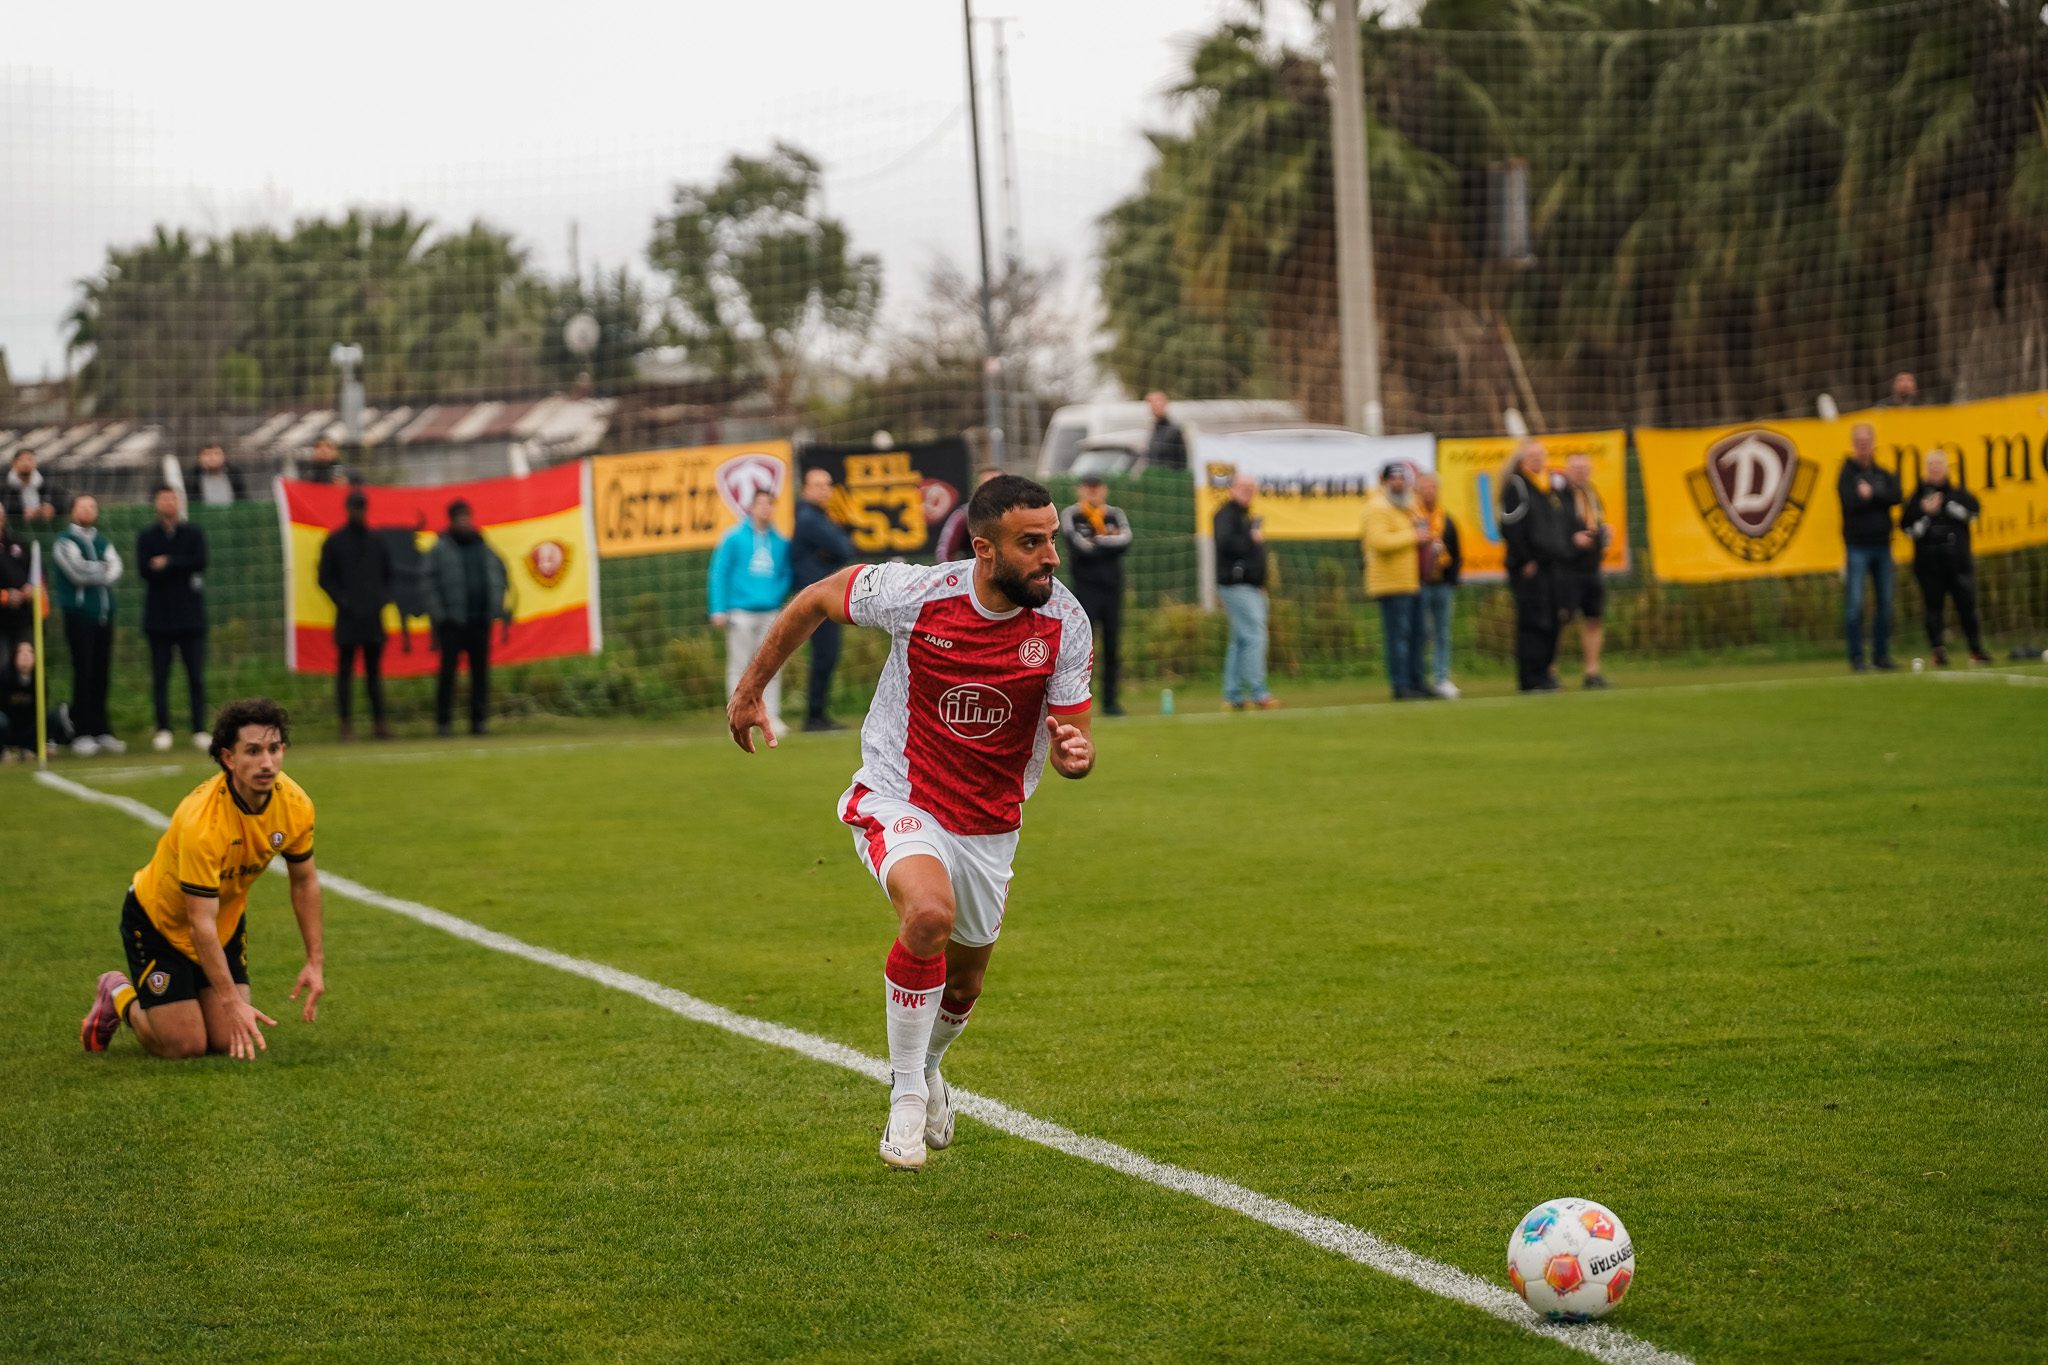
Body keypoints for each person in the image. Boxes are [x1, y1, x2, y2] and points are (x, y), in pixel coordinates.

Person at [723, 473, 1095, 1171]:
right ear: (984, 550)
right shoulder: (916, 594)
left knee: (965, 985)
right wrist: (749, 691)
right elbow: (813, 598)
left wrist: (1075, 753)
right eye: (1032, 542)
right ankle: (904, 1096)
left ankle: (928, 1065)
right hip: (901, 796)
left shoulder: (1065, 622)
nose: (1051, 556)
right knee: (927, 914)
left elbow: (1075, 737)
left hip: (991, 822)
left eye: (1051, 539)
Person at [77, 697, 325, 1061]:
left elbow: (304, 881)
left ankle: (188, 996)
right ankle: (119, 994)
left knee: (227, 1040)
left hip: (221, 921)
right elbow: (198, 923)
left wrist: (314, 961)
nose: (267, 763)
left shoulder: (296, 804)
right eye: (253, 751)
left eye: (274, 749)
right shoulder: (202, 822)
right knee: (185, 1046)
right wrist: (231, 1001)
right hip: (159, 923)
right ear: (229, 758)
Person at [710, 488, 793, 742]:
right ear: (751, 507)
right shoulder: (734, 538)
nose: (765, 509)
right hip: (740, 612)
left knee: (772, 665)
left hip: (769, 612)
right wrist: (718, 608)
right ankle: (736, 717)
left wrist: (774, 597)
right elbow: (719, 572)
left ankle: (772, 716)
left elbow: (785, 575)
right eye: (761, 504)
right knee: (740, 666)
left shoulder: (780, 542)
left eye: (770, 504)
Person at [424, 499, 510, 736]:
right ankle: (443, 723)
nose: (464, 521)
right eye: (459, 517)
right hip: (452, 622)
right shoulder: (440, 548)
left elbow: (499, 574)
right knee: (448, 673)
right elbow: (428, 582)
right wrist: (440, 614)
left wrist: (495, 605)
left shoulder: (483, 546)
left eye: (467, 516)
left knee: (480, 674)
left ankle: (478, 722)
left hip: (480, 620)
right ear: (451, 520)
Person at [318, 488, 396, 741]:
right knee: (345, 674)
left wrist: (380, 600)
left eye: (362, 507)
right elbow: (325, 578)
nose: (358, 512)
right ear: (347, 509)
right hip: (348, 618)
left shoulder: (376, 541)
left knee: (374, 674)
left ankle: (380, 723)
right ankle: (346, 725)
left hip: (372, 617)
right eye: (355, 507)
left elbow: (389, 575)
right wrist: (343, 601)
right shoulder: (335, 541)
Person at [137, 485, 210, 752]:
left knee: (196, 676)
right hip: (159, 619)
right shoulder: (147, 536)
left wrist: (168, 562)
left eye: (173, 498)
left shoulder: (193, 533)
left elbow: (200, 561)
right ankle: (163, 728)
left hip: (191, 618)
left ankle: (199, 728)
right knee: (160, 676)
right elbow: (145, 569)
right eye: (163, 498)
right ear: (157, 503)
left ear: (179, 502)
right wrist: (177, 564)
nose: (169, 503)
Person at [51, 493, 125, 754]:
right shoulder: (64, 541)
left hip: (104, 615)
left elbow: (116, 569)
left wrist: (101, 569)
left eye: (92, 506)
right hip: (79, 615)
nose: (88, 510)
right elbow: (77, 572)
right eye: (83, 506)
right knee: (83, 671)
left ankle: (100, 728)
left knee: (101, 672)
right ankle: (81, 731)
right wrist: (100, 569)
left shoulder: (103, 541)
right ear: (73, 511)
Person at [1900, 451, 1988, 667]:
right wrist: (1925, 512)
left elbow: (1974, 513)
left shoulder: (1957, 493)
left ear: (1947, 468)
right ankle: (1937, 650)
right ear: (1925, 469)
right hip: (1929, 563)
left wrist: (1948, 506)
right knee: (1933, 607)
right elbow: (1906, 526)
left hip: (1957, 561)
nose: (1935, 469)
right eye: (1931, 465)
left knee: (1966, 605)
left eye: (1939, 465)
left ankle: (1976, 650)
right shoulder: (1917, 497)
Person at [1498, 441, 1570, 693]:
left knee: (1552, 619)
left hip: (1551, 565)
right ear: (1521, 460)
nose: (1538, 460)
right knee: (1533, 620)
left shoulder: (1549, 486)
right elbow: (1510, 528)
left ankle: (1545, 673)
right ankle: (1529, 678)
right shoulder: (1517, 486)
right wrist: (1524, 559)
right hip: (1529, 567)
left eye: (1541, 455)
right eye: (1532, 456)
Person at [790, 467, 858, 732]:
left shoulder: (820, 517)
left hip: (823, 595)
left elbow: (844, 550)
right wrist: (832, 554)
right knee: (824, 655)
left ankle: (817, 714)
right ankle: (814, 716)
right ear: (805, 489)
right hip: (816, 599)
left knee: (827, 656)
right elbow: (843, 548)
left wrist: (832, 553)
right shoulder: (808, 518)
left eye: (827, 484)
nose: (824, 489)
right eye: (817, 484)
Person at [1060, 474, 1133, 715]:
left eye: (1097, 487)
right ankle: (1080, 701)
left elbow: (1125, 541)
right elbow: (1079, 547)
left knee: (1113, 647)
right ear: (1079, 490)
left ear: (1104, 490)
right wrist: (1106, 543)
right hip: (1085, 591)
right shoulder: (1072, 514)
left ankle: (1111, 702)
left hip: (1112, 590)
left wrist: (1097, 541)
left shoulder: (1114, 514)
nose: (1093, 492)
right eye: (1088, 488)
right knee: (1083, 648)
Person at [1361, 463, 1429, 700]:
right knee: (1398, 636)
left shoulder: (1408, 506)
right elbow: (1378, 541)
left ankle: (1417, 681)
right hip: (1390, 583)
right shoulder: (1377, 507)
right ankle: (1401, 685)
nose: (1398, 483)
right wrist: (1413, 536)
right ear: (1385, 481)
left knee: (1418, 634)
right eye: (1394, 479)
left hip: (1411, 581)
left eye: (1402, 478)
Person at [1839, 423, 1901, 672]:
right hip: (1857, 548)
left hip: (1883, 547)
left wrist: (1873, 494)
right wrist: (1876, 497)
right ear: (1854, 444)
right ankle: (1856, 658)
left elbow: (1896, 496)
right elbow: (1850, 502)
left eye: (1867, 441)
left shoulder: (1882, 474)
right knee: (1855, 605)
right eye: (1859, 441)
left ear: (1873, 443)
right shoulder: (1846, 474)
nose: (1864, 446)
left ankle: (1881, 656)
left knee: (1885, 604)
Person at [1214, 473, 1278, 710]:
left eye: (1252, 488)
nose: (1248, 491)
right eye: (1244, 487)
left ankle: (1233, 695)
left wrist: (1259, 582)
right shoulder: (1226, 515)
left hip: (1251, 586)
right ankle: (1259, 691)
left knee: (1240, 640)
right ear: (1232, 488)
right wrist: (1251, 539)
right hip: (1236, 585)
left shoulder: (1244, 515)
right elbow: (1226, 544)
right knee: (1255, 636)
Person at [1560, 452, 1613, 689]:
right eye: (1576, 468)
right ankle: (1549, 670)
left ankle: (1592, 672)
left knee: (1594, 618)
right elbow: (1553, 529)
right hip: (1568, 568)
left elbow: (1595, 522)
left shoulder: (1592, 494)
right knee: (1562, 620)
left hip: (1592, 567)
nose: (1580, 472)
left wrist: (1604, 534)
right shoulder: (1558, 498)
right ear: (1567, 471)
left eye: (1584, 468)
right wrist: (1571, 539)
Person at [1414, 472, 1462, 699]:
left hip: (1442, 584)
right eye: (1424, 488)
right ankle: (1419, 678)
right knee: (1421, 633)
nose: (1428, 492)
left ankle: (1441, 678)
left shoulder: (1447, 519)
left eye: (1432, 487)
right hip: (1419, 584)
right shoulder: (1412, 519)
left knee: (1443, 632)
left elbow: (1457, 551)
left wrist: (1453, 578)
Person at [0, 640, 72, 761]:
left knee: (55, 715)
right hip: (8, 727)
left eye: (30, 652)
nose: (25, 656)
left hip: (29, 728)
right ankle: (3, 750)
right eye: (21, 652)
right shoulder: (4, 677)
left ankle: (33, 748)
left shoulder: (39, 678)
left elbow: (41, 709)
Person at [936, 468, 1002, 563]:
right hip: (975, 573)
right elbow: (944, 553)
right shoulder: (964, 516)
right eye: (987, 484)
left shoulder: (1017, 513)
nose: (994, 490)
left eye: (998, 484)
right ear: (978, 488)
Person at [0, 501, 32, 656]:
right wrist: (5, 596)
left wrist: (31, 588)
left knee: (22, 664)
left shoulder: (17, 542)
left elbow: (36, 571)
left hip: (21, 617)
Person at [5, 448, 62, 524]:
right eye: (21, 460)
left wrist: (52, 508)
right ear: (13, 464)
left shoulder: (47, 485)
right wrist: (21, 511)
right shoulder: (4, 487)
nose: (26, 463)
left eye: (30, 459)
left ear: (36, 464)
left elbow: (63, 503)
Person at [184, 441, 247, 506]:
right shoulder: (192, 477)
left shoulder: (235, 474)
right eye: (207, 454)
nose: (212, 458)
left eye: (216, 454)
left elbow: (243, 499)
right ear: (199, 458)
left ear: (224, 457)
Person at [1143, 390, 1187, 470]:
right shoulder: (1153, 430)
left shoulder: (1174, 430)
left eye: (1157, 402)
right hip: (1154, 476)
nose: (1154, 406)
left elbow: (1181, 461)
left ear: (1164, 404)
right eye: (1151, 404)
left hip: (1168, 477)